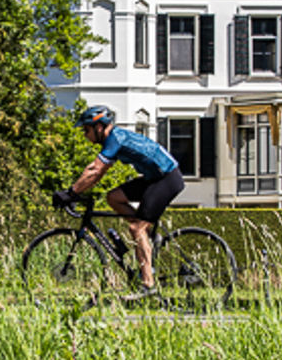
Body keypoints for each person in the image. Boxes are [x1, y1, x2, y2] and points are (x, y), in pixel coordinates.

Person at [53, 105, 184, 299]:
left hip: (167, 179)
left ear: (99, 127)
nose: (84, 135)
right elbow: (98, 173)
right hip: (154, 178)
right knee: (113, 198)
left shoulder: (115, 139)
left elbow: (95, 170)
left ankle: (148, 285)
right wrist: (74, 192)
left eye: (86, 130)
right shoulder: (114, 139)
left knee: (136, 229)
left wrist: (71, 193)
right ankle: (146, 236)